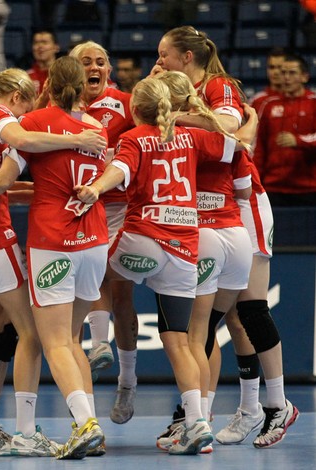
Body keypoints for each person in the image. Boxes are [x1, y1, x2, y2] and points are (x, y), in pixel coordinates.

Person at [0, 56, 110, 459]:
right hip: (88, 235)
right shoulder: (95, 127)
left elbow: (2, 175)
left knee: (4, 334)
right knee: (58, 337)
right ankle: (40, 430)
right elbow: (12, 165)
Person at [76, 76, 258, 455]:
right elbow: (236, 142)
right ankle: (197, 424)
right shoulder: (192, 137)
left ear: (133, 109)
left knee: (92, 268)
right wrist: (246, 117)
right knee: (179, 340)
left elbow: (121, 172)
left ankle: (97, 343)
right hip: (184, 247)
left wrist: (95, 188)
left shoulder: (133, 137)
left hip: (142, 239)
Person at [153, 25, 299, 449]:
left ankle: (273, 405)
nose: (157, 61)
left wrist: (175, 116)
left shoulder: (218, 86)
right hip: (203, 211)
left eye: (164, 54)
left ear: (187, 57)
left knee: (246, 310)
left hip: (243, 204)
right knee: (222, 316)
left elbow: (232, 129)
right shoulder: (172, 91)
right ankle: (240, 408)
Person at [155, 71, 254, 455]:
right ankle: (202, 418)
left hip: (201, 236)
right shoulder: (220, 138)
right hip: (237, 237)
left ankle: (196, 424)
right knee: (208, 331)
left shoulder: (170, 136)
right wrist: (253, 121)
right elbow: (244, 184)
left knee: (195, 336)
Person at [67, 41, 138, 425]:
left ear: (109, 70)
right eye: (85, 62)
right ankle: (97, 351)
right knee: (87, 280)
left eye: (100, 61)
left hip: (120, 205)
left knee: (117, 285)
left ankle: (126, 381)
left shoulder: (126, 103)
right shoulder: (62, 106)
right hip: (79, 204)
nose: (93, 68)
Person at [253, 53, 316, 207]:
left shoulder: (313, 103)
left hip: (309, 187)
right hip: (273, 186)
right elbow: (259, 147)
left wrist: (298, 141)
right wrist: (255, 181)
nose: (286, 77)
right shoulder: (268, 105)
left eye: (292, 73)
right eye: (283, 73)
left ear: (304, 77)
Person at [249, 48, 285, 118]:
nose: (275, 72)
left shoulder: (303, 100)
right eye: (272, 67)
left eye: (280, 67)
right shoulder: (257, 101)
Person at [26, 30, 60, 95]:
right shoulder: (26, 77)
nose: (40, 46)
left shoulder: (64, 75)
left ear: (56, 47)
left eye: (44, 42)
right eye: (36, 43)